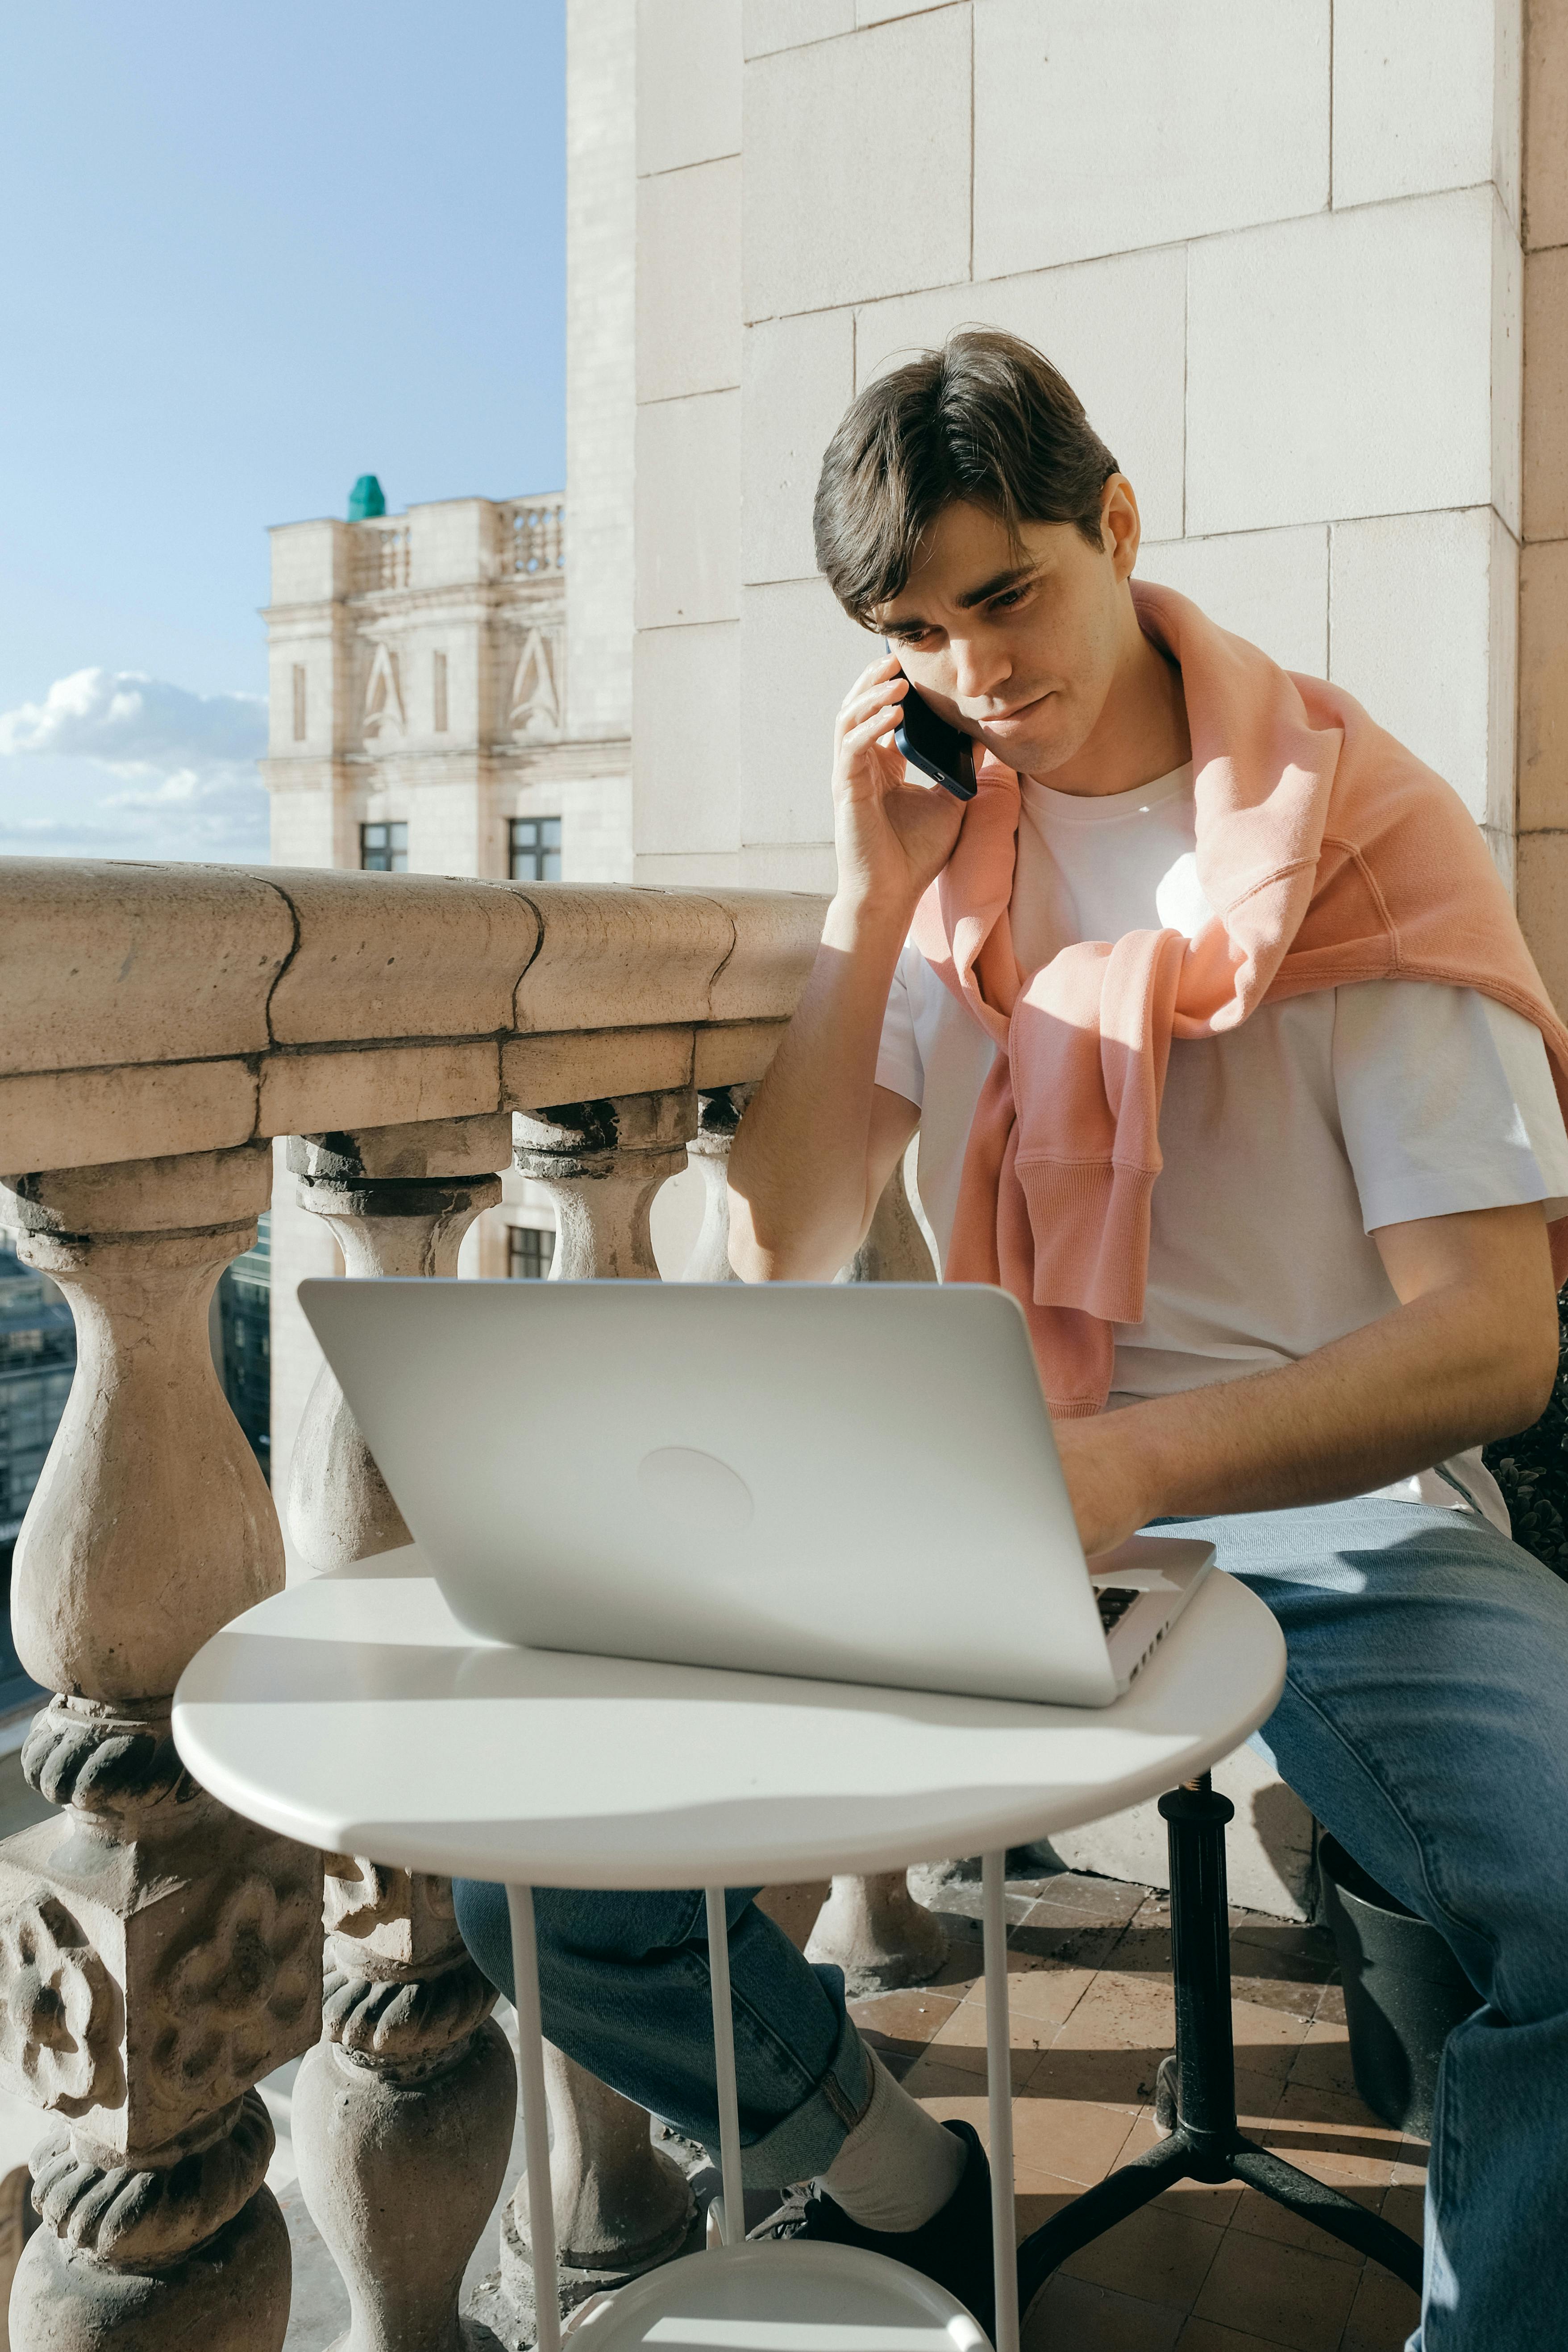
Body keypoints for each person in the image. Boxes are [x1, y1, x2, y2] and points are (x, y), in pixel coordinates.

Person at [456, 330, 1568, 2349]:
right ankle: (887, 2169)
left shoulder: (1358, 832)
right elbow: (777, 1246)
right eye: (913, 631)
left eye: (1006, 596)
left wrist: (1130, 1463)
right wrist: (863, 904)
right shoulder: (944, 855)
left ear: (1116, 526)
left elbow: (1492, 1344)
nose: (976, 670)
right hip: (980, 1485)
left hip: (1332, 1503)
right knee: (529, 1868)